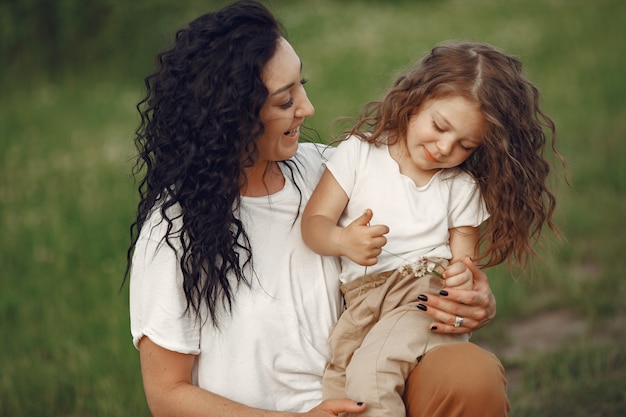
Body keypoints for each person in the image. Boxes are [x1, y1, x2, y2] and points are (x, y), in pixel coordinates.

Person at [125, 2, 508, 417]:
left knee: (469, 374)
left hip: (374, 397)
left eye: (301, 85)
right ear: (230, 117)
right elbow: (167, 394)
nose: (307, 109)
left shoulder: (332, 170)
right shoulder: (176, 231)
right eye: (285, 100)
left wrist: (470, 297)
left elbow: (431, 242)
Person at [301, 40, 561, 417]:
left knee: (372, 377)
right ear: (415, 99)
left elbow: (464, 263)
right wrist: (343, 240)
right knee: (339, 386)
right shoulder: (358, 154)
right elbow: (313, 225)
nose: (444, 148)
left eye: (464, 145)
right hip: (361, 303)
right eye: (439, 127)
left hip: (419, 296)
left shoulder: (459, 187)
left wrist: (461, 277)